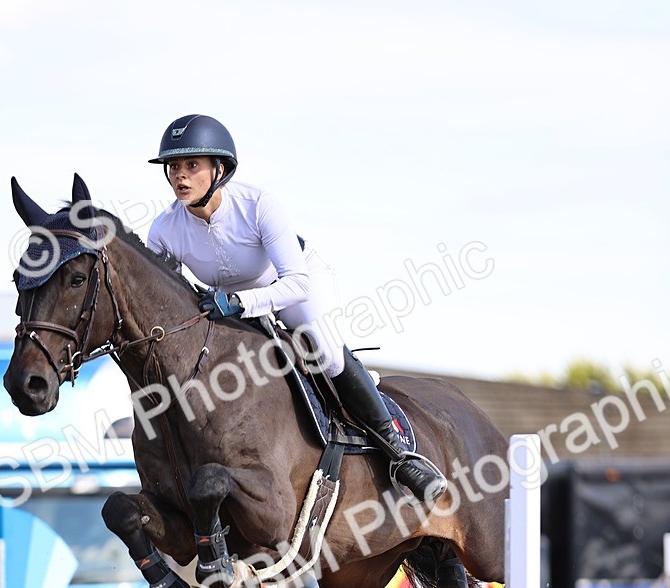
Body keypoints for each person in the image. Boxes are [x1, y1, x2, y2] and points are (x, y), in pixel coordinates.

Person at [146, 114, 447, 504]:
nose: (180, 176)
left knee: (325, 350)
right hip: (229, 304)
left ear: (219, 169)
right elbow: (163, 299)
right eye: (173, 167)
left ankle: (400, 455)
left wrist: (240, 302)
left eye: (192, 165)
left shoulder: (258, 205)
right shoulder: (164, 229)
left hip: (293, 284)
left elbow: (297, 282)